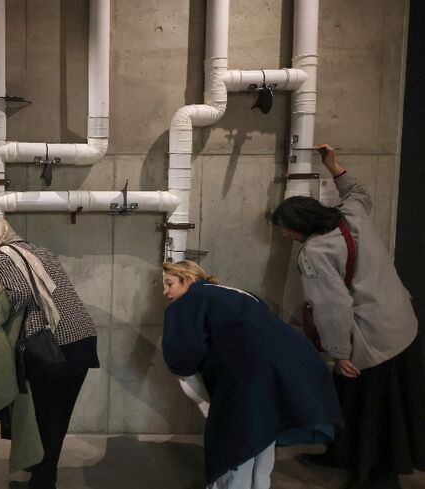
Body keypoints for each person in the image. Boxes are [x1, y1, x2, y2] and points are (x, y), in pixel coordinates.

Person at [272, 144, 425, 488]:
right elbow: (358, 192)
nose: (285, 235)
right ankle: (341, 455)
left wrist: (340, 354)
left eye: (285, 229)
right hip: (402, 325)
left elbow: (332, 307)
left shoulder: (315, 252)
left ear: (300, 228)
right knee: (369, 405)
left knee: (372, 413)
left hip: (371, 341)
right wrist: (334, 166)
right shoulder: (350, 215)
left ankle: (373, 475)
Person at [161, 260, 343, 489]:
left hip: (250, 374)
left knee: (233, 444)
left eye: (169, 284)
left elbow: (181, 358)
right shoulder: (237, 294)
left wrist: (205, 400)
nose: (166, 292)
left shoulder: (188, 302)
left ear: (187, 279)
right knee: (261, 434)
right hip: (296, 359)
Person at [0, 216, 99, 489]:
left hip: (53, 346)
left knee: (44, 418)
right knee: (57, 417)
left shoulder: (5, 255)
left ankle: (43, 482)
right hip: (82, 338)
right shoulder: (37, 250)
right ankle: (42, 473)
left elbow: (18, 295)